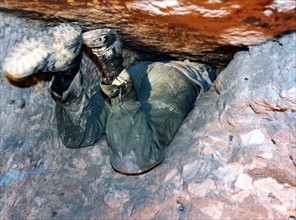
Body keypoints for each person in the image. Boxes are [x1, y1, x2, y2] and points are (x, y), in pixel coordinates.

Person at [3, 24, 216, 174]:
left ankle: (69, 74)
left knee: (78, 136)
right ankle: (107, 65)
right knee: (131, 158)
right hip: (173, 73)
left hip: (166, 72)